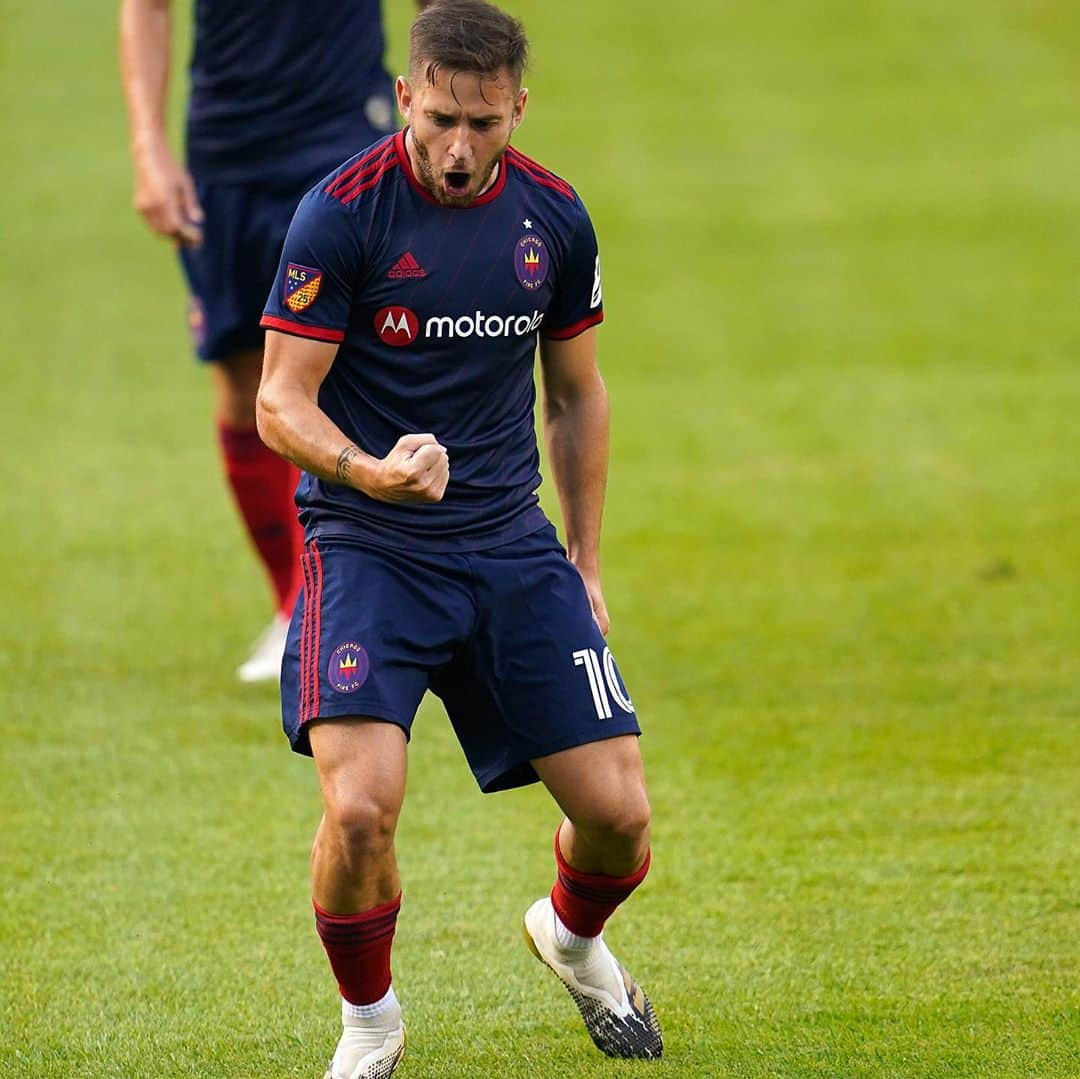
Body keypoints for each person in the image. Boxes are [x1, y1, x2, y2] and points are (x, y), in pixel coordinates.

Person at [256, 2, 663, 1074]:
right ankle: (370, 1023)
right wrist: (368, 469)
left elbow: (575, 397)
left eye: (485, 124)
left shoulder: (556, 220)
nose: (458, 145)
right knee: (359, 809)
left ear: (518, 107)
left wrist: (584, 558)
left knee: (620, 818)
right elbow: (279, 403)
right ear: (405, 95)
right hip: (366, 543)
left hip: (507, 543)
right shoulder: (338, 214)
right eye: (440, 116)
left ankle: (572, 939)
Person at [119, 0, 428, 681]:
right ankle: (294, 604)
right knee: (241, 383)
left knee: (343, 373)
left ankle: (322, 608)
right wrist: (148, 145)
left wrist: (439, 107)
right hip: (227, 146)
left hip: (345, 130)